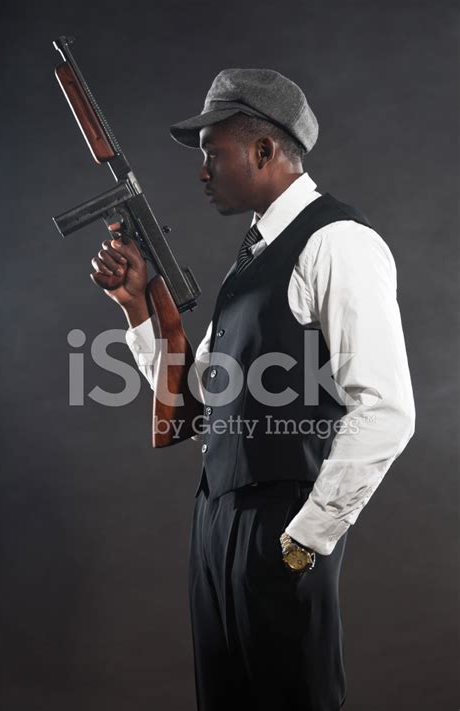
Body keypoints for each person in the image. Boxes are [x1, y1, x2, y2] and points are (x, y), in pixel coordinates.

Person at [90, 68, 416, 710]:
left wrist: (306, 538)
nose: (203, 171)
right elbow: (196, 400)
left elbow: (384, 409)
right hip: (217, 520)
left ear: (265, 151)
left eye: (215, 152)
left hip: (281, 521)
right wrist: (136, 310)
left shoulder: (338, 242)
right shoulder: (255, 258)